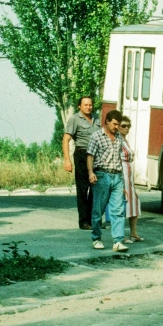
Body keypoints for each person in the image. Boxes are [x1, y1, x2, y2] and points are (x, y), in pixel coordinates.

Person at [87, 110, 129, 253]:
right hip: (102, 175)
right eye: (115, 124)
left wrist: (122, 182)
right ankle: (96, 238)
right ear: (107, 121)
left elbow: (119, 159)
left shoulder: (119, 138)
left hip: (117, 176)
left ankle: (118, 241)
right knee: (98, 209)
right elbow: (90, 156)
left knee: (118, 210)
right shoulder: (96, 136)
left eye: (119, 124)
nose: (117, 127)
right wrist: (91, 173)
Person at [63, 96, 97, 230]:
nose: (88, 107)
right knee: (83, 190)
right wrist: (67, 160)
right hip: (82, 154)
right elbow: (66, 139)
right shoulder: (74, 119)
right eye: (85, 105)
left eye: (90, 105)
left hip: (96, 156)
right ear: (79, 106)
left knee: (95, 189)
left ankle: (92, 220)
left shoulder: (97, 118)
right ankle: (83, 221)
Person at [119, 116, 143, 243]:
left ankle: (134, 233)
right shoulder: (117, 140)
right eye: (123, 125)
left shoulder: (125, 140)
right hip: (122, 171)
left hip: (129, 172)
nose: (126, 128)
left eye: (128, 126)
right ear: (118, 126)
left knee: (133, 202)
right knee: (122, 203)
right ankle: (120, 235)